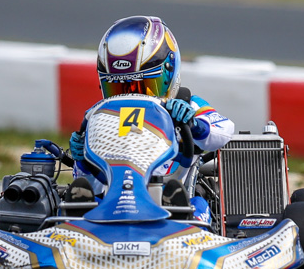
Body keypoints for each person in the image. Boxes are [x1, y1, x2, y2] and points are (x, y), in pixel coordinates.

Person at [67, 16, 235, 224]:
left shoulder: (186, 105)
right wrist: (82, 161)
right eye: (119, 89)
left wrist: (193, 125)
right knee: (85, 202)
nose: (131, 97)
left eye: (142, 88)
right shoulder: (98, 116)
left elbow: (225, 130)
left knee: (197, 206)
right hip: (114, 201)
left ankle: (188, 228)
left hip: (172, 199)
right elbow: (91, 185)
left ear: (168, 72)